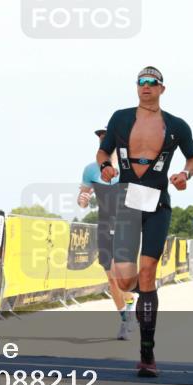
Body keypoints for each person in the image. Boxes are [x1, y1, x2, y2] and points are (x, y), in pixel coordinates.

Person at [98, 67, 193, 377]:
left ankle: (147, 353)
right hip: (127, 202)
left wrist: (185, 174)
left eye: (152, 83)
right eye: (141, 82)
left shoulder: (177, 125)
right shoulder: (120, 118)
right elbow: (103, 151)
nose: (146, 87)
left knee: (147, 274)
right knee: (125, 280)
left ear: (161, 89)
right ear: (136, 87)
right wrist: (105, 167)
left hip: (158, 204)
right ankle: (136, 301)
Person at [78, 128, 136, 339]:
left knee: (119, 275)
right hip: (104, 226)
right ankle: (125, 317)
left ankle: (130, 307)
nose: (104, 143)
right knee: (111, 280)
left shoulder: (128, 168)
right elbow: (82, 199)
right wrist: (83, 200)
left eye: (108, 139)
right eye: (101, 140)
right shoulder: (90, 170)